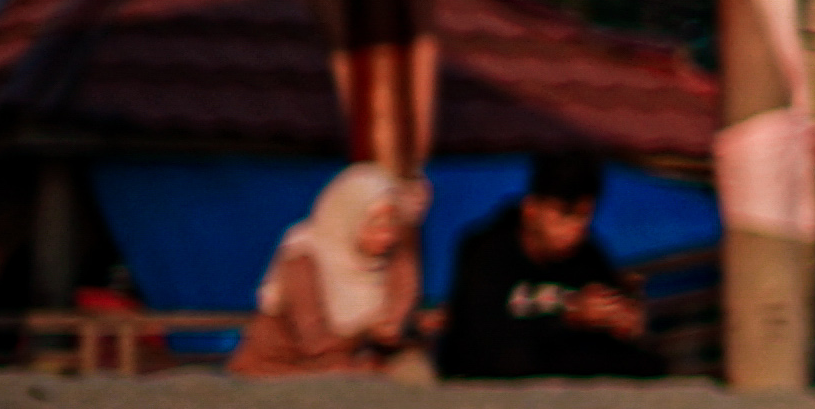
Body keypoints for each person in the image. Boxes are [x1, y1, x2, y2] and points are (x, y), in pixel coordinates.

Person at [439, 150, 663, 381]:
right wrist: (570, 316)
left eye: (584, 217)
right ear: (531, 210)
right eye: (564, 215)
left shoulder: (588, 256)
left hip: (568, 394)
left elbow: (611, 345)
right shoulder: (487, 252)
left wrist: (621, 321)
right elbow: (480, 344)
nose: (575, 229)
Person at [232, 164, 426, 378]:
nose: (386, 236)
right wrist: (367, 332)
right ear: (350, 218)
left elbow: (398, 317)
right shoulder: (303, 258)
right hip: (279, 371)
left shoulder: (392, 259)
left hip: (351, 368)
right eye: (375, 224)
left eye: (391, 224)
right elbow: (314, 343)